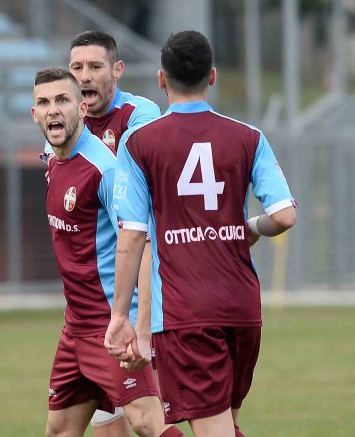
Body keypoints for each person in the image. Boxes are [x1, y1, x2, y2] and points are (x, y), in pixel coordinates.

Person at [105, 31, 297, 437]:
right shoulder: (248, 136)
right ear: (212, 76)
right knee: (226, 424)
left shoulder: (139, 143)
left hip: (186, 312)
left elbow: (133, 236)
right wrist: (250, 228)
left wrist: (120, 315)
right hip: (242, 308)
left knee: (214, 431)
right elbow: (284, 216)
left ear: (161, 79)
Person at [32, 67, 183, 437]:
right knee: (59, 430)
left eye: (63, 100)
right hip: (75, 328)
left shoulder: (105, 170)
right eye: (44, 103)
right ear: (34, 114)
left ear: (82, 109)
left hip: (111, 327)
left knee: (147, 421)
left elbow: (143, 244)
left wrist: (141, 326)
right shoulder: (54, 161)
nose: (53, 110)